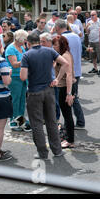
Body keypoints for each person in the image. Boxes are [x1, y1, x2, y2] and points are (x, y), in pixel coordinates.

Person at [20, 32, 68, 160]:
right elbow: (65, 64)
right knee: (51, 121)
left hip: (34, 92)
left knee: (36, 124)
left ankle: (43, 153)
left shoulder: (26, 55)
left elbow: (23, 77)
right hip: (49, 90)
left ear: (28, 43)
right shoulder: (49, 51)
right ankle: (57, 151)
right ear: (39, 41)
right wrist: (57, 79)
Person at [55, 19, 85, 130]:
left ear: (58, 27)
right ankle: (76, 121)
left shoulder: (62, 39)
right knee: (72, 96)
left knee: (71, 97)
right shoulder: (76, 36)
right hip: (76, 69)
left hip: (68, 71)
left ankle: (79, 122)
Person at [52, 36, 76, 148]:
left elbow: (69, 75)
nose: (54, 47)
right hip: (63, 86)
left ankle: (70, 140)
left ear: (61, 45)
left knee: (67, 114)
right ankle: (68, 137)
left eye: (55, 44)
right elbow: (61, 70)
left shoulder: (65, 55)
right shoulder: (62, 55)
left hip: (66, 87)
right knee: (66, 113)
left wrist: (69, 93)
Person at [5, 30, 31, 132]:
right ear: (20, 39)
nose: (25, 41)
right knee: (15, 100)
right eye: (24, 39)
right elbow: (14, 64)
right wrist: (27, 60)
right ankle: (13, 121)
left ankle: (20, 121)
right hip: (15, 77)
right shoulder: (11, 48)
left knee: (21, 100)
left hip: (22, 77)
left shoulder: (21, 47)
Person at [86, 11, 100, 75]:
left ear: (96, 15)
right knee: (93, 56)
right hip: (91, 41)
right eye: (91, 15)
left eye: (93, 15)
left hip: (98, 41)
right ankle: (95, 68)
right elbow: (87, 32)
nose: (92, 16)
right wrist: (87, 27)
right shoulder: (89, 22)